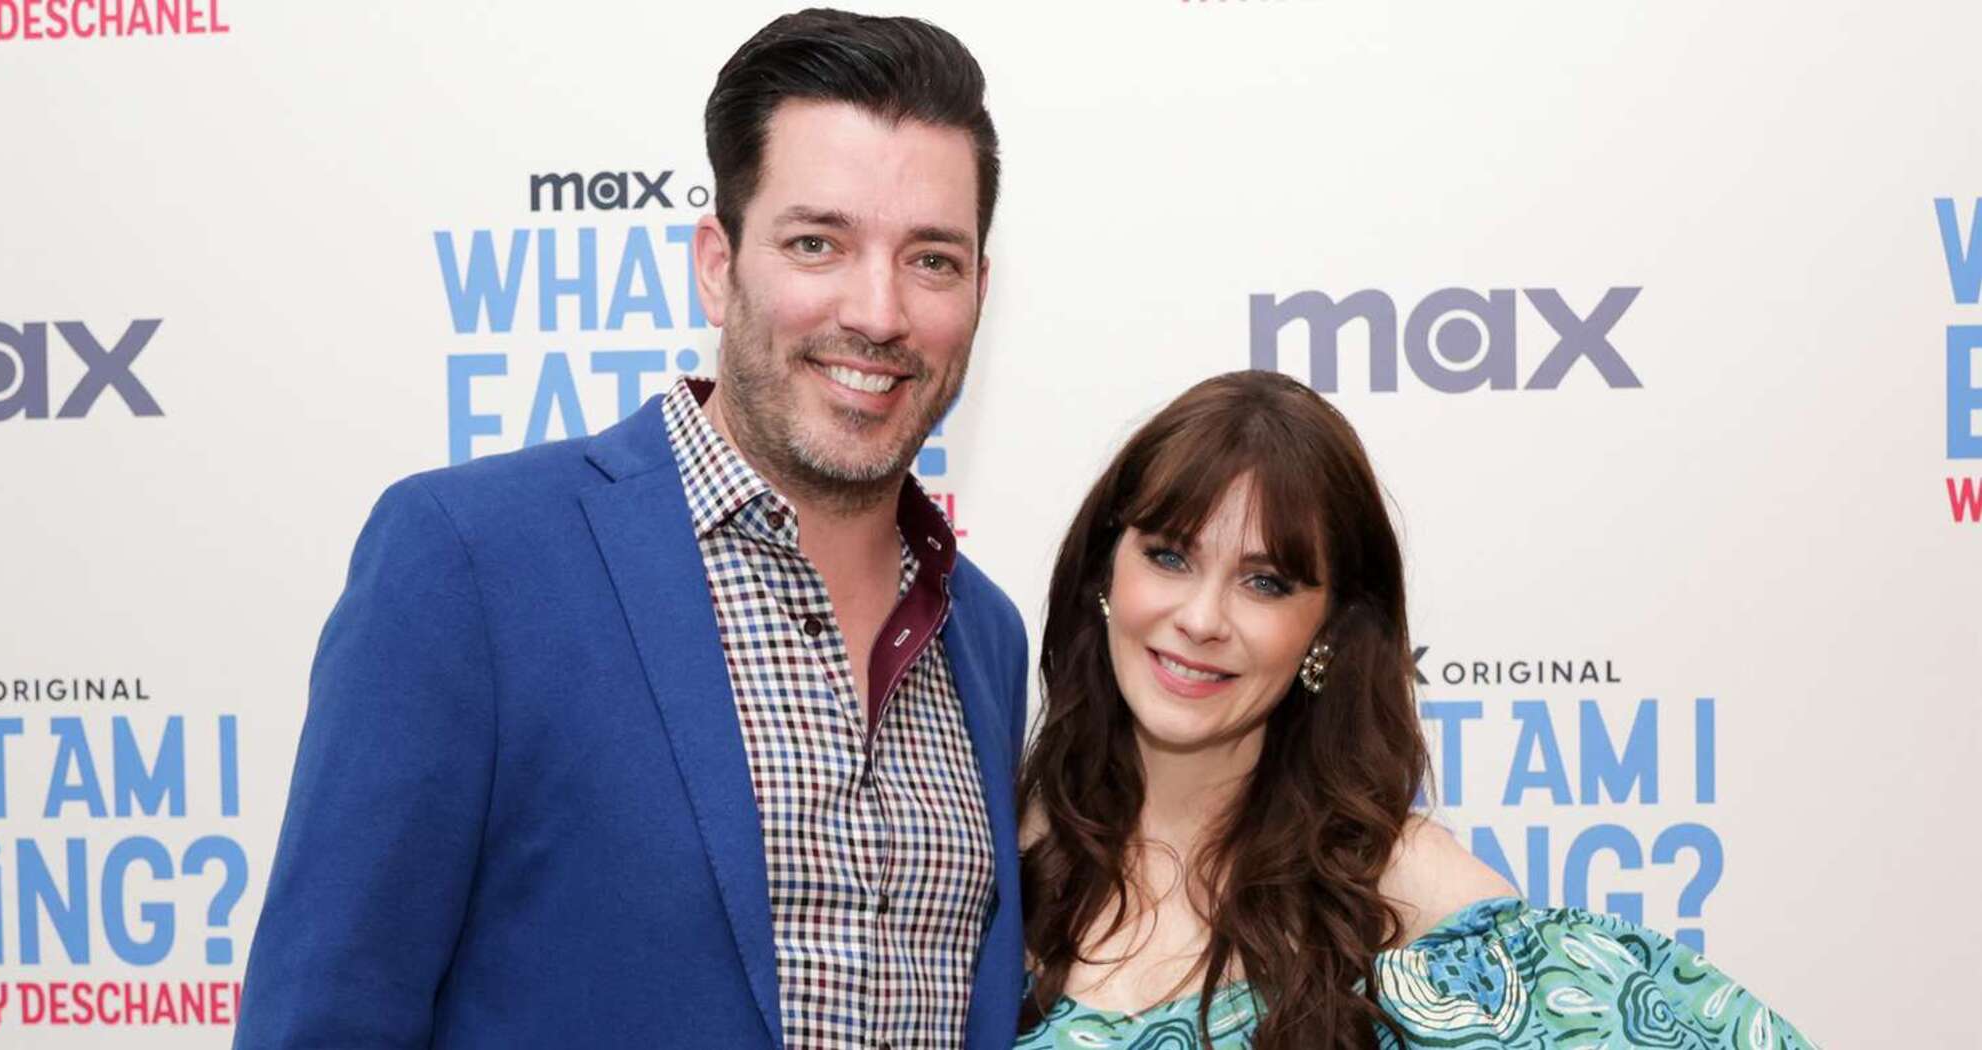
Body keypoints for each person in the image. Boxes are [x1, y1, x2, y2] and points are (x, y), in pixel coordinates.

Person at [235, 10, 1027, 1049]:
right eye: (816, 243)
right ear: (717, 262)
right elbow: (326, 1017)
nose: (878, 312)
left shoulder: (987, 635)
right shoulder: (473, 565)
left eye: (931, 259)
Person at [1014, 371, 1814, 1049]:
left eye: (1266, 582)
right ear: (1103, 572)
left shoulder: (1397, 888)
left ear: (1328, 628)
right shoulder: (993, 856)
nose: (1201, 618)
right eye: (1169, 556)